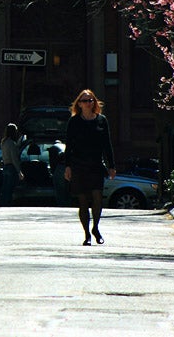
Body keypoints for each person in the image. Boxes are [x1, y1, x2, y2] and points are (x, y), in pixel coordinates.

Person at [63, 89, 116, 245]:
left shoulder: (101, 120)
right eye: (85, 101)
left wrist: (111, 166)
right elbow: (69, 146)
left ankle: (96, 228)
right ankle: (86, 234)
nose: (88, 103)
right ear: (79, 104)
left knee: (97, 197)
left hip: (95, 164)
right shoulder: (74, 122)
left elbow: (107, 145)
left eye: (90, 100)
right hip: (78, 165)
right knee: (83, 201)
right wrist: (68, 166)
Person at [0, 123, 25, 206]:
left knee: (5, 189)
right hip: (11, 168)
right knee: (10, 189)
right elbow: (14, 159)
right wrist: (19, 172)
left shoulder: (3, 142)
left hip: (5, 166)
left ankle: (3, 204)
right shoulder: (11, 143)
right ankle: (7, 205)